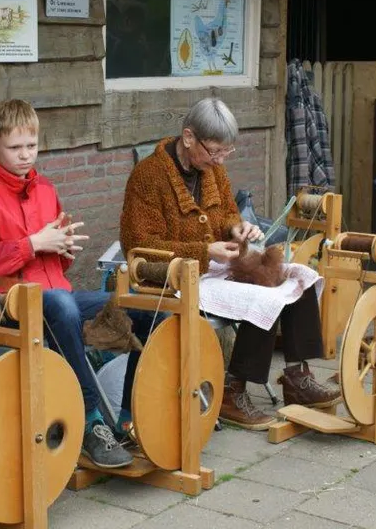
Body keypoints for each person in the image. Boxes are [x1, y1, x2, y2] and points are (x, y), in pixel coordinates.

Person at [0, 99, 160, 468]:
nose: (24, 156)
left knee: (147, 309)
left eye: (31, 146)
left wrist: (63, 248)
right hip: (10, 305)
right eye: (14, 148)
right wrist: (32, 244)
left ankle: (131, 417)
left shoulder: (46, 189)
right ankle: (91, 422)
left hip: (57, 296)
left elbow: (58, 263)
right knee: (63, 307)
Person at [120, 98, 341, 431]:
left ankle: (297, 376)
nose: (221, 160)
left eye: (227, 153)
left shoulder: (212, 169)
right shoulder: (148, 176)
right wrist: (204, 250)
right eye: (215, 152)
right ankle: (232, 392)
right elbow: (139, 245)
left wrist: (237, 229)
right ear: (189, 136)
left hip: (213, 267)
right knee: (263, 297)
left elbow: (225, 214)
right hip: (172, 276)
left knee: (300, 275)